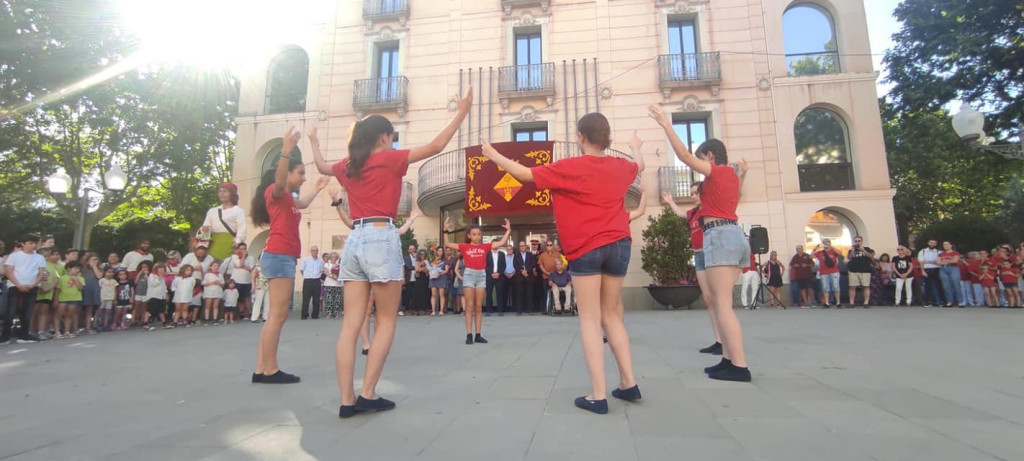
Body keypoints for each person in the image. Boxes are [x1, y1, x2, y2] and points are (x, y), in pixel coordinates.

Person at [310, 87, 473, 418]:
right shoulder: (389, 158)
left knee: (350, 326)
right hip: (381, 237)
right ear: (383, 138)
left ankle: (346, 399)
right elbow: (437, 146)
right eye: (392, 137)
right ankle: (368, 392)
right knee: (385, 321)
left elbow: (322, 165)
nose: (393, 142)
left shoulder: (347, 165)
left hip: (354, 238)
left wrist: (313, 140)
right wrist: (462, 111)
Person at [480, 114, 645, 413]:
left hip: (588, 246)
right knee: (612, 315)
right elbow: (640, 166)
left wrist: (493, 155)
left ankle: (598, 395)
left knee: (589, 319)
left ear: (580, 136)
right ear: (606, 137)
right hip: (620, 244)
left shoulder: (570, 167)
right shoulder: (622, 167)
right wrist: (635, 147)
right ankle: (628, 383)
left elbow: (526, 174)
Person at [652, 105, 752, 383]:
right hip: (730, 234)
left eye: (702, 159)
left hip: (720, 235)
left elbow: (683, 156)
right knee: (720, 302)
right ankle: (728, 359)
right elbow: (736, 197)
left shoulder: (718, 172)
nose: (700, 163)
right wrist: (744, 174)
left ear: (710, 156)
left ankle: (740, 366)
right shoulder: (731, 176)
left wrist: (665, 124)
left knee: (722, 304)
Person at [250, 126, 329, 384]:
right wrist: (285, 150)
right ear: (286, 173)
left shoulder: (288, 199)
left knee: (275, 315)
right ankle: (270, 369)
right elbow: (281, 180)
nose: (304, 177)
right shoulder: (276, 191)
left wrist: (317, 187)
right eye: (302, 173)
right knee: (278, 314)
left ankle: (261, 368)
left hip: (281, 255)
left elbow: (303, 204)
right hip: (279, 255)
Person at [663, 182, 723, 352]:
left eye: (695, 193)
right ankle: (718, 341)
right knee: (708, 299)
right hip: (698, 255)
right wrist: (670, 201)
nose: (692, 196)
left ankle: (726, 339)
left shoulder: (710, 210)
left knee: (718, 299)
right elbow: (681, 213)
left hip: (711, 253)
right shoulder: (693, 213)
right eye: (691, 193)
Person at [444, 218, 511, 342]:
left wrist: (508, 230)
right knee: (469, 306)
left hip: (481, 275)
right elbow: (448, 244)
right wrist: (445, 230)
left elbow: (501, 243)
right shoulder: (464, 247)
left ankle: (478, 334)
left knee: (479, 306)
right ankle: (469, 335)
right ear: (469, 235)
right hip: (469, 274)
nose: (477, 237)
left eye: (479, 234)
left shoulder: (485, 246)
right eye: (474, 234)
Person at [2, 234, 44, 344]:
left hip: (32, 286)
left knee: (27, 311)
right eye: (30, 243)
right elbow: (9, 271)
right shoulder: (14, 256)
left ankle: (24, 334)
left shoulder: (39, 257)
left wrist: (34, 284)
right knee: (11, 311)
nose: (33, 246)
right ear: (23, 244)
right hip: (15, 286)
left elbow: (41, 272)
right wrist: (18, 284)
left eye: (35, 243)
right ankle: (5, 336)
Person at [200, 182, 247, 261]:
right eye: (220, 191)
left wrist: (237, 242)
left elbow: (242, 229)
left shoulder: (238, 211)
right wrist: (203, 243)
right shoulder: (212, 211)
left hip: (230, 244)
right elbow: (205, 228)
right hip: (213, 244)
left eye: (225, 191)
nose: (222, 194)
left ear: (232, 194)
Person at [222, 243, 254, 320]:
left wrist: (243, 266)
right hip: (237, 280)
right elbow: (239, 265)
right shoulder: (235, 257)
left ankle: (249, 312)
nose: (243, 250)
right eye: (241, 249)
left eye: (244, 249)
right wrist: (242, 257)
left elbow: (251, 269)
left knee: (247, 297)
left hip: (247, 280)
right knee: (239, 298)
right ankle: (241, 312)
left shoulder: (250, 258)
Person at [55, 261, 85, 339]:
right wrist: (55, 300)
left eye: (79, 269)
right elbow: (58, 290)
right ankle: (57, 332)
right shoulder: (62, 278)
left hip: (74, 298)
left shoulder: (81, 278)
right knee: (58, 315)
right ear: (69, 268)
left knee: (69, 315)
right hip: (63, 299)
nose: (77, 270)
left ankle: (67, 331)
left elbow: (81, 288)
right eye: (75, 268)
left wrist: (76, 279)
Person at [813, 239, 841, 308]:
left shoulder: (833, 251)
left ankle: (838, 302)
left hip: (834, 271)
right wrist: (815, 248)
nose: (825, 244)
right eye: (824, 243)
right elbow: (811, 256)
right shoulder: (820, 252)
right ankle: (827, 302)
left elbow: (840, 253)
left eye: (827, 242)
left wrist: (831, 247)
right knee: (825, 287)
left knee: (836, 286)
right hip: (824, 272)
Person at [846, 236, 873, 308]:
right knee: (852, 286)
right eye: (856, 241)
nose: (857, 242)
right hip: (853, 270)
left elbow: (870, 256)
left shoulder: (867, 249)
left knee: (866, 286)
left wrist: (863, 250)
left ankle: (866, 302)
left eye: (859, 241)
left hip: (865, 270)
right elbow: (849, 257)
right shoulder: (851, 250)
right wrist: (852, 251)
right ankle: (851, 303)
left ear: (862, 241)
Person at [299, 246, 324, 320]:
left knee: (316, 299)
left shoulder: (320, 261)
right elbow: (301, 270)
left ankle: (315, 315)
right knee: (306, 298)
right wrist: (306, 276)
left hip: (317, 280)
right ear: (310, 251)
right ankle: (304, 315)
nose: (315, 252)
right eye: (313, 250)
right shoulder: (306, 259)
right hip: (308, 280)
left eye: (316, 250)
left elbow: (321, 270)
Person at [512, 240, 536, 316]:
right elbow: (515, 265)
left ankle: (530, 310)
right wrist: (522, 272)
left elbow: (533, 264)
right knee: (519, 294)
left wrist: (527, 271)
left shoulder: (530, 255)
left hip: (529, 276)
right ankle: (519, 310)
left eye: (523, 245)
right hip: (519, 277)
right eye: (521, 246)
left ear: (526, 246)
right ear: (519, 247)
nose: (522, 247)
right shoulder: (516, 255)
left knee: (529, 293)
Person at [937, 241, 963, 307]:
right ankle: (949, 301)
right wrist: (948, 261)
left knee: (956, 285)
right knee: (946, 286)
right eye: (944, 244)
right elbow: (938, 262)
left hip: (953, 268)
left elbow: (955, 261)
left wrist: (945, 261)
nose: (945, 245)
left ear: (951, 245)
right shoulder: (941, 254)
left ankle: (960, 301)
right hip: (943, 269)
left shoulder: (955, 253)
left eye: (947, 244)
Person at [918, 239, 943, 306]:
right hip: (927, 270)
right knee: (927, 287)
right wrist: (923, 271)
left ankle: (939, 301)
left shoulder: (939, 252)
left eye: (934, 243)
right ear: (928, 243)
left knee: (938, 286)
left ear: (936, 244)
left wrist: (928, 261)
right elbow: (921, 262)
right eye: (931, 243)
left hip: (937, 269)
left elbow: (939, 262)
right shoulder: (922, 251)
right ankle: (928, 302)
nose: (932, 244)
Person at [484, 245, 507, 316]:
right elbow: (485, 265)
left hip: (499, 277)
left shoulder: (502, 254)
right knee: (489, 294)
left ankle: (500, 310)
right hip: (489, 276)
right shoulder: (487, 254)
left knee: (500, 293)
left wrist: (498, 273)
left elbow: (504, 265)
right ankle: (488, 310)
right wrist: (491, 273)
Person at [146, 263, 168, 330]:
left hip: (161, 296)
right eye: (160, 269)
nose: (161, 271)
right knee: (151, 310)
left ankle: (164, 323)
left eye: (163, 269)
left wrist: (166, 294)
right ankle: (147, 323)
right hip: (154, 296)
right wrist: (159, 278)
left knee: (162, 310)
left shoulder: (163, 277)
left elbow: (164, 286)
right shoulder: (152, 275)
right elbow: (153, 284)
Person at [202, 261, 225, 325]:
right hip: (209, 292)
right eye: (214, 266)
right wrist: (212, 282)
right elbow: (204, 283)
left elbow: (223, 284)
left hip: (217, 291)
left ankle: (215, 319)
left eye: (217, 266)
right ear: (211, 267)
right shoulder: (207, 274)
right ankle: (206, 319)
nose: (216, 267)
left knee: (216, 306)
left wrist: (219, 283)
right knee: (208, 306)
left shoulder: (220, 275)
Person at [323, 252, 344, 319]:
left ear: (337, 258)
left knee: (337, 299)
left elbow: (341, 273)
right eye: (332, 257)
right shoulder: (327, 264)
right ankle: (328, 313)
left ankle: (336, 313)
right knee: (329, 299)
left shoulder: (339, 265)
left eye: (335, 257)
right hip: (329, 283)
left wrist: (338, 277)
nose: (333, 258)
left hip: (337, 284)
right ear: (330, 258)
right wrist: (334, 277)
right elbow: (326, 272)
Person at [429, 247, 448, 316]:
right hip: (433, 278)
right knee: (433, 294)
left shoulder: (445, 260)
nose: (440, 252)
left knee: (441, 294)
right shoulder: (432, 259)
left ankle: (441, 310)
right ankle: (433, 310)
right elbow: (430, 268)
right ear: (436, 251)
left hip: (441, 277)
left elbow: (446, 270)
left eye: (441, 251)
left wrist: (440, 273)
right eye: (439, 251)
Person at [132, 261, 152, 328]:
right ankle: (133, 320)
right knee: (136, 306)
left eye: (145, 267)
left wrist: (146, 275)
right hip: (138, 292)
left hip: (146, 293)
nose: (144, 268)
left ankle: (143, 320)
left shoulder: (150, 274)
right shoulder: (139, 274)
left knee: (144, 307)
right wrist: (139, 274)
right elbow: (135, 282)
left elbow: (150, 282)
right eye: (142, 267)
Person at [412, 249, 430, 315]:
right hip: (419, 278)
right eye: (421, 254)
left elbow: (429, 269)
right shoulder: (417, 261)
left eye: (424, 254)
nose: (422, 255)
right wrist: (423, 269)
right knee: (417, 293)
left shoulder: (427, 261)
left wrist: (425, 269)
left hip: (426, 278)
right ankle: (416, 309)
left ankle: (426, 308)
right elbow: (417, 269)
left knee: (426, 293)